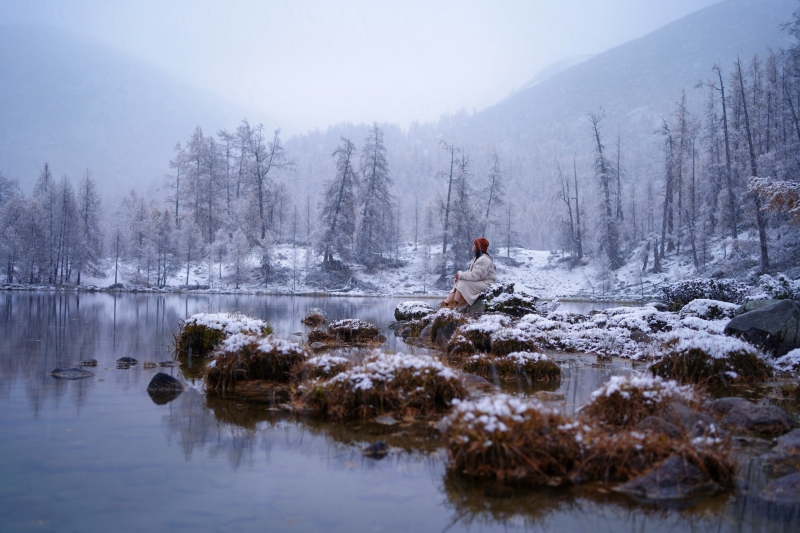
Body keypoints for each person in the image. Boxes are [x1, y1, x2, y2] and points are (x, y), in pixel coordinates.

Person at [440, 237, 497, 310]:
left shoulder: (484, 259)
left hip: (486, 284)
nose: (473, 246)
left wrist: (461, 276)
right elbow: (471, 272)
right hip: (480, 282)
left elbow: (476, 275)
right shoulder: (477, 258)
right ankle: (444, 306)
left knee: (463, 282)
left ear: (479, 247)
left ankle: (454, 305)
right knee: (459, 283)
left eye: (475, 245)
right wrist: (460, 277)